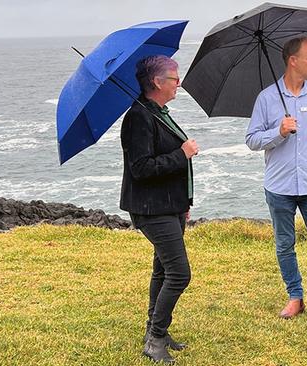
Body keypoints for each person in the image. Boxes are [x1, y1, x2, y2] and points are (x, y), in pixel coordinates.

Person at [246, 36, 307, 330]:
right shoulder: (266, 98)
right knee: (284, 245)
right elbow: (251, 139)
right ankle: (295, 296)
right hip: (279, 187)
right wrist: (278, 131)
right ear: (293, 61)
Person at [120, 55, 199, 363]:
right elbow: (140, 168)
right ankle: (155, 338)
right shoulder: (138, 117)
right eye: (174, 78)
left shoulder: (157, 112)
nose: (178, 83)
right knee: (179, 273)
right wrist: (183, 153)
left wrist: (183, 203)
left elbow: (163, 162)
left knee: (163, 270)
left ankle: (155, 330)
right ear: (156, 82)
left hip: (169, 205)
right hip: (151, 209)